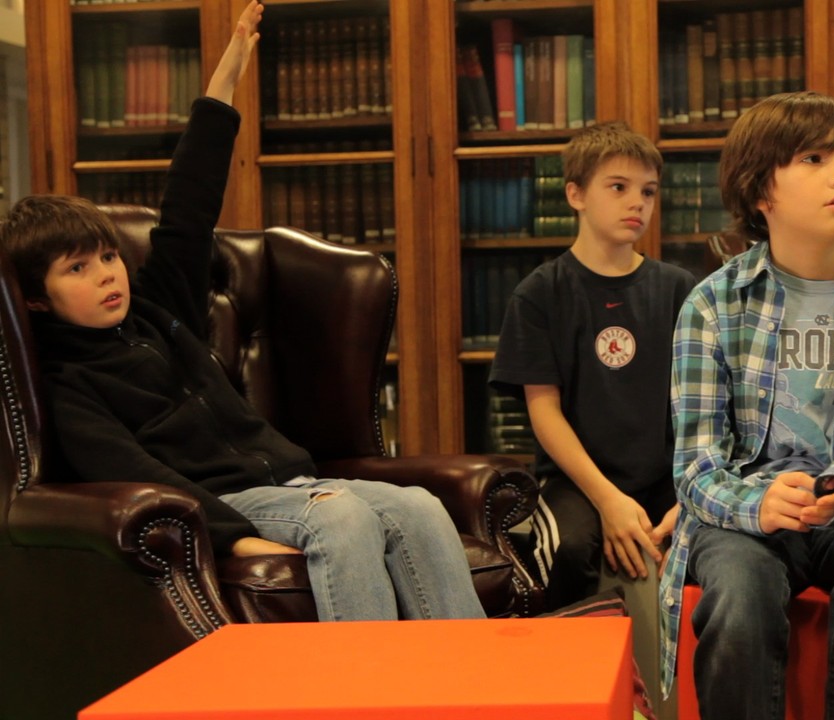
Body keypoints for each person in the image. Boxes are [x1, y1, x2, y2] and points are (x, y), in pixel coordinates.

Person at [0, 0, 484, 623]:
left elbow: (189, 209)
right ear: (36, 297)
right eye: (77, 269)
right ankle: (358, 680)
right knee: (342, 517)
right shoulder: (67, 383)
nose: (106, 275)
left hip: (294, 482)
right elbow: (133, 472)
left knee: (419, 506)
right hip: (230, 500)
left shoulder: (156, 309)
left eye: (108, 257)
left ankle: (461, 675)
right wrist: (233, 537)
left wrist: (224, 81)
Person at [660, 90, 834, 719]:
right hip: (751, 506)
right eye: (814, 159)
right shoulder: (711, 304)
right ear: (761, 190)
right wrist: (757, 504)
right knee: (738, 590)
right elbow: (696, 469)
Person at [489, 121, 697, 609]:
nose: (637, 203)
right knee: (566, 549)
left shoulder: (679, 289)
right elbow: (544, 412)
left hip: (667, 474)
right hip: (577, 480)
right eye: (619, 187)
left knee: (716, 538)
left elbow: (699, 407)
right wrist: (606, 499)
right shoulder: (540, 293)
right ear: (576, 194)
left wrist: (688, 498)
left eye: (648, 191)